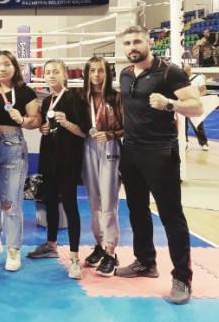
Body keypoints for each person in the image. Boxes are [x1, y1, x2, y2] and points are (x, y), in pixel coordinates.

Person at [116, 26, 203, 305]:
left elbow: (197, 106)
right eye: (127, 43)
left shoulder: (169, 72)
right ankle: (145, 261)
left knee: (170, 215)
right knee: (137, 210)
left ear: (149, 42)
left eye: (137, 41)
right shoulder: (125, 73)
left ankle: (182, 278)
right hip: (131, 151)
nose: (132, 47)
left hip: (160, 152)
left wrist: (169, 104)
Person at [0, 51, 41, 271]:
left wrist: (22, 120)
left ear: (15, 66)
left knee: (11, 200)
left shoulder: (24, 91)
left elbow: (36, 121)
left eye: (6, 64)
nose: (2, 68)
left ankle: (13, 249)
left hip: (12, 146)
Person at [28, 59, 87, 280]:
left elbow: (84, 131)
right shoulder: (46, 101)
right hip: (49, 158)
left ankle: (74, 257)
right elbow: (47, 126)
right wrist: (43, 129)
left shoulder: (74, 98)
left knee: (70, 205)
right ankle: (51, 244)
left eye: (56, 71)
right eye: (47, 72)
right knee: (50, 201)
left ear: (64, 75)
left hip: (68, 160)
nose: (51, 75)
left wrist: (67, 123)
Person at [80, 57, 124, 277]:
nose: (96, 75)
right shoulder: (82, 97)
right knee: (94, 201)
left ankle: (110, 252)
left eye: (101, 71)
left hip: (110, 146)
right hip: (88, 145)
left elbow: (128, 126)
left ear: (108, 73)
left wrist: (111, 135)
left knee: (108, 201)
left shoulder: (116, 97)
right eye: (92, 71)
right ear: (87, 74)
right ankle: (99, 244)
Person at [183, 63, 209, 151]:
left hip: (194, 105)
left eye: (186, 70)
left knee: (198, 124)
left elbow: (204, 91)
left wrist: (197, 98)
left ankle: (203, 143)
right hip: (183, 104)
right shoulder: (180, 78)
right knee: (183, 125)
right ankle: (184, 142)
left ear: (189, 69)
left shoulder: (198, 78)